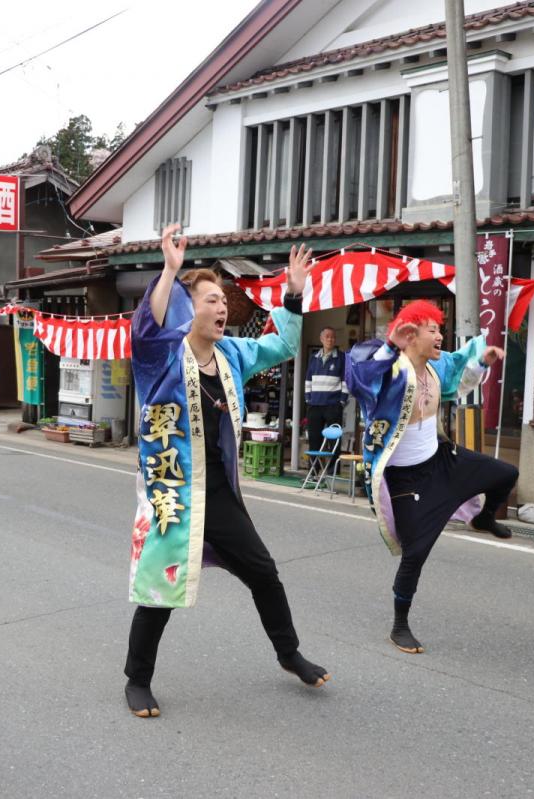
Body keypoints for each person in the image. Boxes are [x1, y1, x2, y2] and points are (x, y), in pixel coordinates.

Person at [123, 225, 330, 719]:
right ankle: (137, 679)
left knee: (263, 571)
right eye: (211, 299)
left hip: (221, 494)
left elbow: (281, 346)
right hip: (174, 491)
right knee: (161, 590)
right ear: (184, 307)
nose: (222, 308)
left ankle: (288, 653)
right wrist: (171, 270)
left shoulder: (232, 354)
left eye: (224, 301)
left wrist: (293, 293)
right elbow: (147, 329)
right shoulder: (161, 357)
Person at [345, 300, 515, 654]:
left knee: (505, 474)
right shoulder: (389, 369)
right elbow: (359, 381)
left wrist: (481, 363)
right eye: (432, 329)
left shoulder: (436, 367)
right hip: (404, 479)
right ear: (410, 335)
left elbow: (460, 381)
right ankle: (399, 625)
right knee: (416, 552)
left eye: (440, 328)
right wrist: (391, 346)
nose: (440, 335)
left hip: (440, 460)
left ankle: (483, 518)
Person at [305, 326, 348, 458]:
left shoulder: (341, 357)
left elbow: (346, 381)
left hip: (333, 405)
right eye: (327, 336)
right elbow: (308, 380)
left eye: (333, 337)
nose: (330, 339)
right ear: (321, 339)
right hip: (315, 405)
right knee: (314, 438)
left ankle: (332, 470)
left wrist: (342, 401)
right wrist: (308, 398)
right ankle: (314, 470)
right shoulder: (313, 358)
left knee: (334, 440)